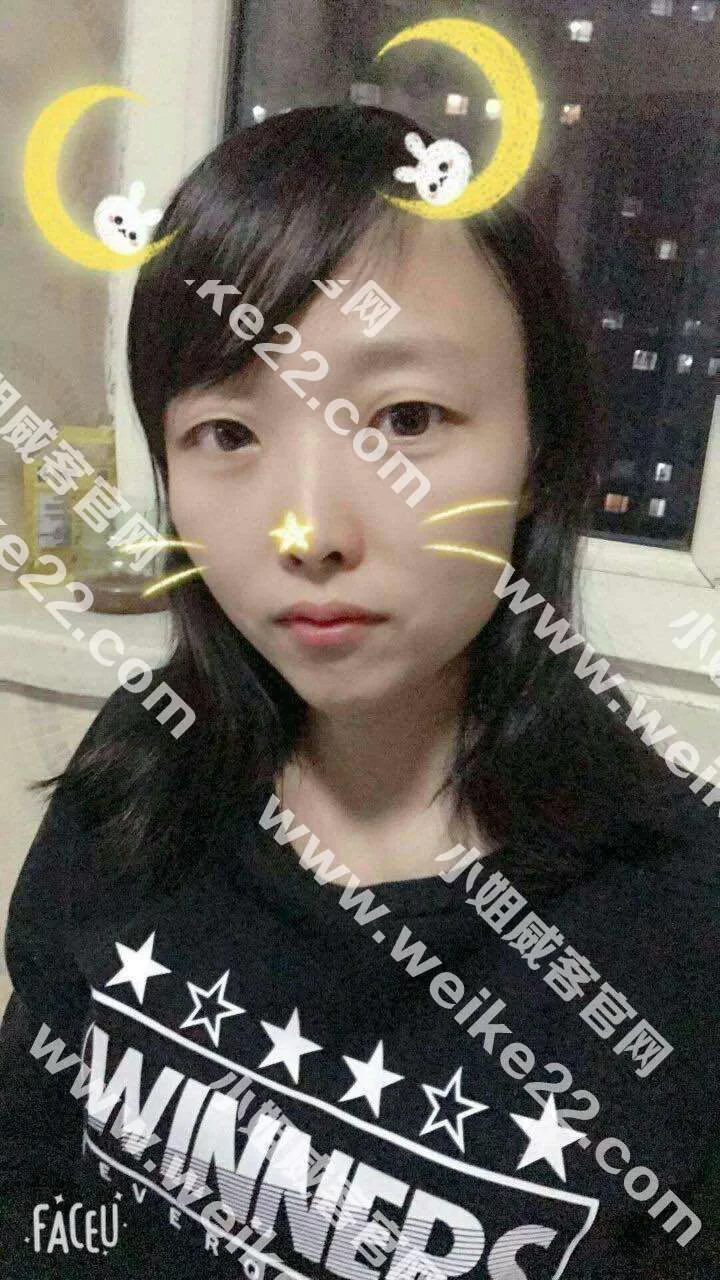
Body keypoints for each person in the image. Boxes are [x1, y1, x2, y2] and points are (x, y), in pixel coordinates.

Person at [1, 104, 718, 1279]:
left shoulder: (682, 926)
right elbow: (34, 1174)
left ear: (539, 453)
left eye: (406, 419)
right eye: (226, 431)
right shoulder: (144, 766)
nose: (309, 529)